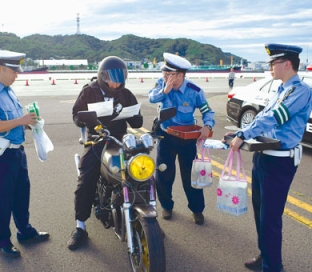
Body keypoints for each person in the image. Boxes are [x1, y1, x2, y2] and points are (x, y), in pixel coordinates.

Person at [228, 44, 312, 272]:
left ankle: (273, 267)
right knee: (260, 211)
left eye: (273, 63)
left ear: (287, 64)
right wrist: (239, 133)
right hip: (263, 156)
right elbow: (261, 117)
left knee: (270, 218)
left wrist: (244, 133)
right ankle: (266, 256)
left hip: (280, 161)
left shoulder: (300, 91)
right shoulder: (281, 89)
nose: (270, 68)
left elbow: (275, 117)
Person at [0, 50, 49, 258]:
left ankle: (24, 231)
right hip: (0, 154)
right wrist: (20, 121)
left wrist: (28, 124)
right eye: (13, 71)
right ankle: (1, 240)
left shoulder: (9, 91)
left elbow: (14, 121)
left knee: (21, 194)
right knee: (3, 198)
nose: (17, 75)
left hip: (16, 152)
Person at [68, 56, 143, 250]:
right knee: (85, 181)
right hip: (97, 140)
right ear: (102, 76)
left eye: (120, 77)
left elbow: (137, 123)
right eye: (112, 77)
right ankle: (80, 227)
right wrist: (86, 120)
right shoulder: (89, 91)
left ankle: (146, 220)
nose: (116, 82)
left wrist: (135, 115)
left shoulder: (125, 94)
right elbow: (77, 115)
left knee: (139, 172)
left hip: (119, 140)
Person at [148, 52, 215, 224]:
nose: (166, 77)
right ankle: (167, 206)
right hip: (166, 136)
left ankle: (197, 210)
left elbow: (207, 111)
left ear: (180, 75)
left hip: (187, 139)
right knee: (164, 173)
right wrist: (165, 90)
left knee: (190, 176)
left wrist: (208, 126)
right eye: (165, 74)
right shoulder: (161, 85)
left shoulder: (194, 91)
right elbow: (151, 98)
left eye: (170, 75)